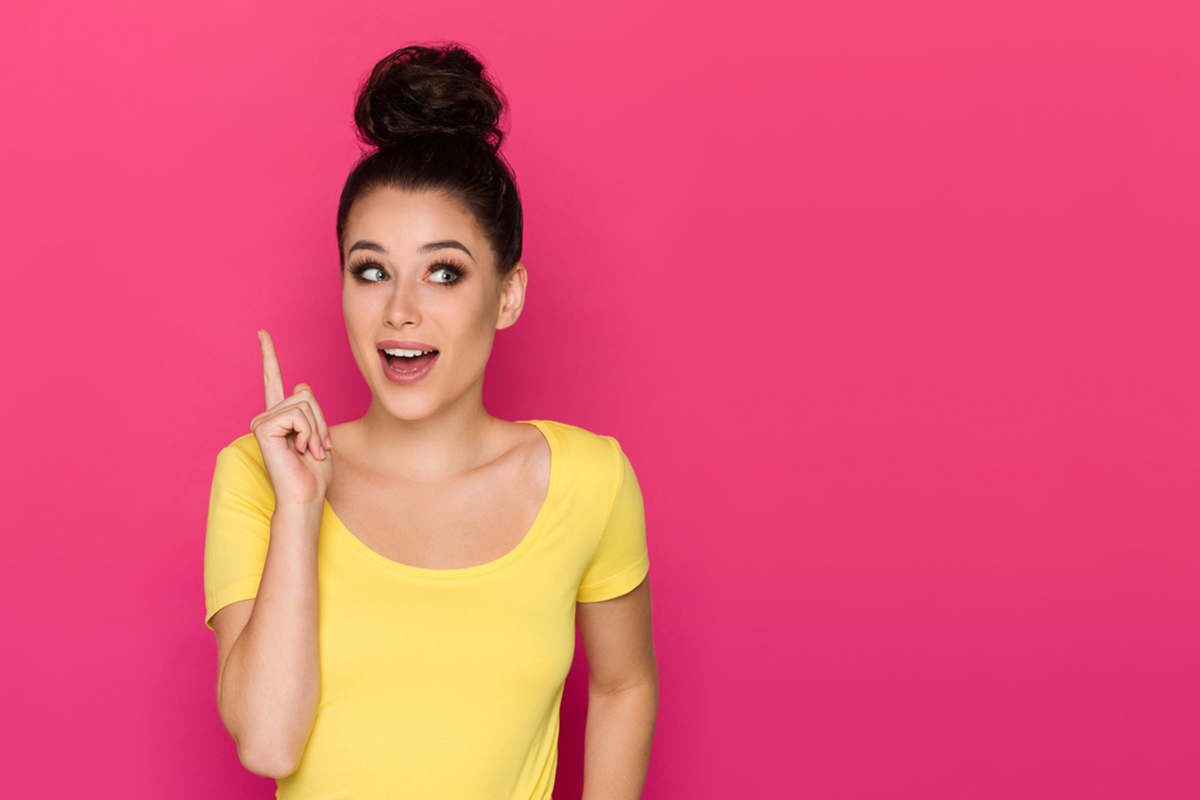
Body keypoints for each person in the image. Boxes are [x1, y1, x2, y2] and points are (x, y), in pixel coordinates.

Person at [202, 43, 657, 799]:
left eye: (444, 272)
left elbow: (622, 688)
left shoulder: (588, 481)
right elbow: (269, 742)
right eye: (370, 270)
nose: (401, 310)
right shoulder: (257, 474)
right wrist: (301, 508)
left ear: (506, 296)